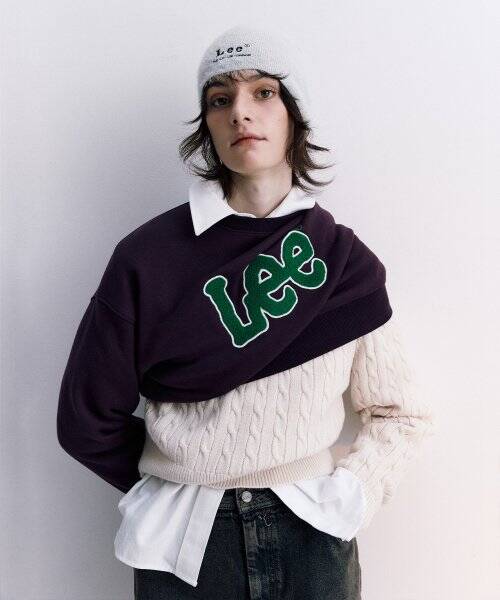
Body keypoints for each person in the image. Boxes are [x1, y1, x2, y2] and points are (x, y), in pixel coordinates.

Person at [57, 24, 436, 600]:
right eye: (220, 99)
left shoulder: (342, 261)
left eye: (264, 92)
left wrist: (350, 495)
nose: (240, 112)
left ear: (294, 114)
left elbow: (400, 413)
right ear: (208, 125)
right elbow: (86, 418)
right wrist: (167, 482)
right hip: (183, 542)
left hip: (312, 534)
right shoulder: (147, 258)